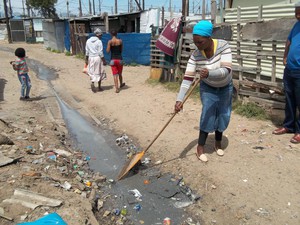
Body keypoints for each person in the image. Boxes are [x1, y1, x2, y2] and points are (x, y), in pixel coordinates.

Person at [174, 20, 233, 162]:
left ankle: (218, 143)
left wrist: (209, 73)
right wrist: (179, 99)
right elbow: (187, 78)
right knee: (207, 113)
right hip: (208, 88)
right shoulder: (195, 55)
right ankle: (200, 147)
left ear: (209, 37)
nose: (197, 45)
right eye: (195, 42)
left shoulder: (223, 46)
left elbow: (226, 70)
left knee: (223, 114)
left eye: (200, 42)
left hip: (225, 86)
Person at [272, 2, 300, 143]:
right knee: (289, 100)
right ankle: (288, 126)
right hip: (290, 70)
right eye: (296, 12)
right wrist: (284, 57)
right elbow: (288, 42)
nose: (297, 15)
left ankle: (299, 131)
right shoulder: (296, 26)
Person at [85, 28, 107, 93]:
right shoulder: (99, 41)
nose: (101, 36)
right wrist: (104, 60)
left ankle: (92, 82)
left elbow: (87, 51)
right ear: (99, 35)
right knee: (99, 71)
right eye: (101, 35)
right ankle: (99, 87)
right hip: (97, 58)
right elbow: (100, 52)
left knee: (92, 71)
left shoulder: (88, 41)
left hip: (91, 58)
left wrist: (86, 59)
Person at [106, 29, 125, 93]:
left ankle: (117, 88)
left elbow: (108, 51)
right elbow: (121, 50)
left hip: (113, 59)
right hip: (119, 59)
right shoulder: (120, 41)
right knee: (120, 74)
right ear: (117, 34)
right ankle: (121, 84)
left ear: (111, 34)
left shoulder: (110, 42)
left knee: (115, 75)